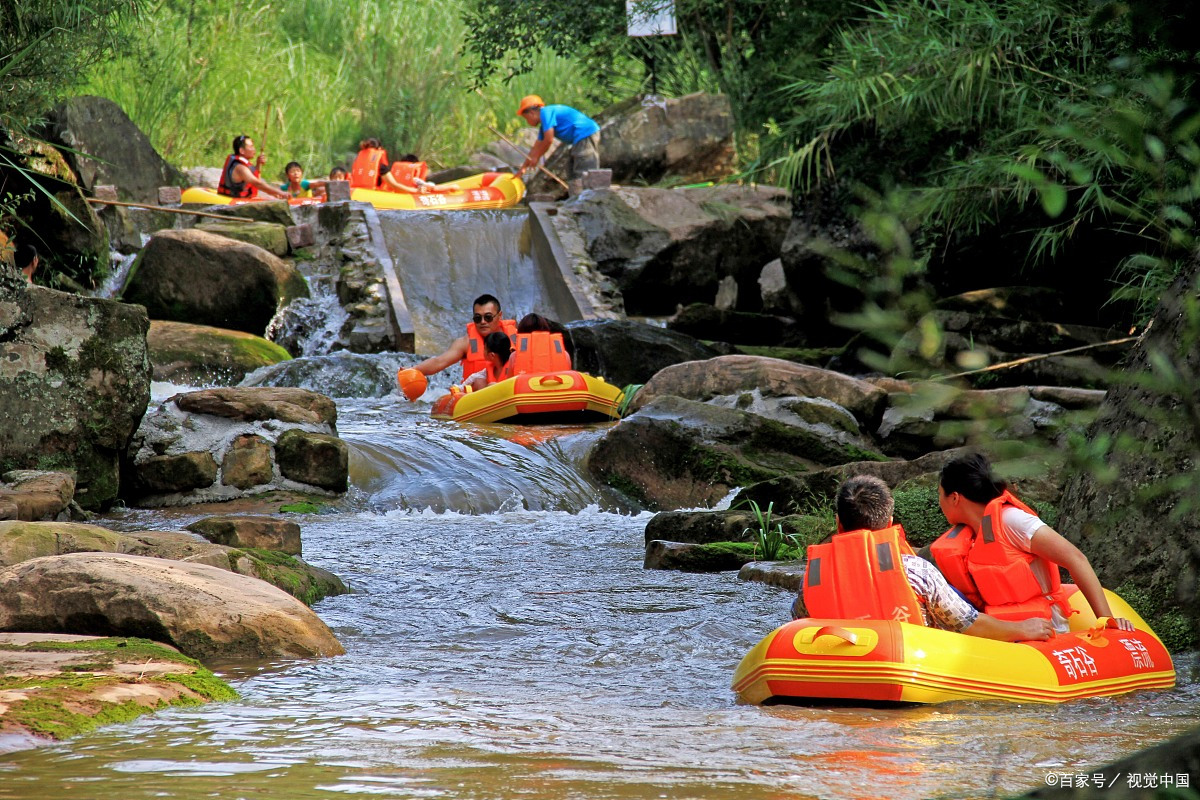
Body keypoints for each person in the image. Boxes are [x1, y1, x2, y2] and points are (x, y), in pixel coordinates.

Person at [797, 475, 1054, 642]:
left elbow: (801, 626)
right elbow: (968, 624)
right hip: (911, 667)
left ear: (838, 524)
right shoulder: (916, 571)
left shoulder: (812, 576)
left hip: (836, 669)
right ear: (889, 523)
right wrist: (1022, 629)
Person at [931, 452, 1134, 633]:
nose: (939, 502)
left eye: (940, 494)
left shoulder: (1012, 520)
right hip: (1005, 630)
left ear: (955, 498)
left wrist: (1106, 619)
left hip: (1045, 631)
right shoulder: (972, 533)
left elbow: (1075, 558)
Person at [412, 294, 518, 382]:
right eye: (477, 318)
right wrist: (414, 370)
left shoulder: (518, 338)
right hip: (479, 395)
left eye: (488, 317)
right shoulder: (465, 343)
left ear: (500, 316)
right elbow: (439, 361)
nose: (483, 322)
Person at [515, 95, 600, 192]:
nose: (527, 121)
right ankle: (576, 198)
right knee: (571, 169)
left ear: (531, 113)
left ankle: (589, 197)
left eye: (526, 118)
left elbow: (548, 140)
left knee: (584, 166)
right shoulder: (544, 126)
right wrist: (523, 169)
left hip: (585, 134)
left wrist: (537, 157)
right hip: (579, 139)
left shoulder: (546, 113)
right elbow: (535, 147)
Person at [216, 135, 289, 199]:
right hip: (233, 199)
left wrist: (258, 164)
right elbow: (258, 184)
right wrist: (280, 193)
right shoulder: (240, 168)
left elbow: (251, 176)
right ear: (242, 151)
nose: (254, 149)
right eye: (251, 147)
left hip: (244, 197)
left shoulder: (240, 164)